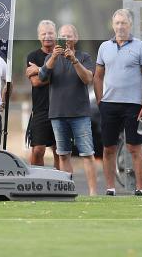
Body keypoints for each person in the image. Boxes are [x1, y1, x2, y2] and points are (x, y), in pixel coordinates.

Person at [94, 8, 142, 196]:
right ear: (113, 25)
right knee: (108, 147)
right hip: (109, 104)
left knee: (134, 147)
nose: (120, 26)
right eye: (117, 23)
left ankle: (140, 188)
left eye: (124, 23)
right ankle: (110, 188)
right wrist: (99, 101)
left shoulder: (141, 46)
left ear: (130, 25)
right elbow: (97, 76)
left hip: (134, 105)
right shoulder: (104, 47)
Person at [38, 24, 98, 195]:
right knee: (63, 154)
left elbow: (87, 79)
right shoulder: (50, 58)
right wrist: (53, 58)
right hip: (58, 113)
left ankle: (93, 193)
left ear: (76, 38)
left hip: (80, 113)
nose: (66, 39)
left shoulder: (84, 57)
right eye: (63, 36)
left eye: (69, 36)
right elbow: (42, 77)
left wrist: (74, 60)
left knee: (87, 153)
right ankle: (67, 190)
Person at [24, 20, 58, 167]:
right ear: (38, 36)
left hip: (61, 108)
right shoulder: (33, 56)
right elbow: (36, 82)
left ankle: (61, 183)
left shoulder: (63, 55)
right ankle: (37, 181)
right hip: (40, 109)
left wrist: (39, 70)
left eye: (50, 33)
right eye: (43, 33)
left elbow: (42, 77)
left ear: (56, 35)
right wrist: (60, 77)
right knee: (38, 150)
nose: (47, 36)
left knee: (59, 150)